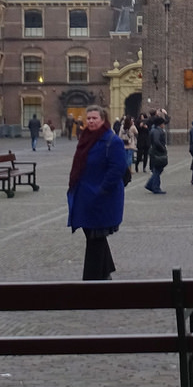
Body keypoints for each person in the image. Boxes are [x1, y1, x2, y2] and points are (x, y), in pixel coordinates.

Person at [67, 106, 130, 280]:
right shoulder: (86, 139)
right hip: (85, 195)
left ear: (103, 120)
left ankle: (92, 280)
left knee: (95, 237)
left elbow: (117, 168)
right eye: (88, 118)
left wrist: (102, 189)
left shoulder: (112, 141)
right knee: (93, 235)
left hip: (102, 197)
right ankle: (105, 272)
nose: (91, 121)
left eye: (94, 118)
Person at [145, 115, 169, 194]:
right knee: (157, 170)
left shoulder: (155, 130)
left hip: (155, 152)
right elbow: (156, 141)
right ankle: (155, 187)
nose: (164, 125)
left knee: (158, 169)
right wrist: (162, 148)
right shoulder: (157, 131)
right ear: (160, 124)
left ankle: (150, 184)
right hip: (157, 153)